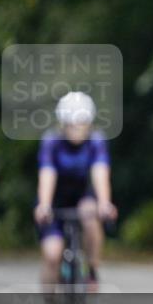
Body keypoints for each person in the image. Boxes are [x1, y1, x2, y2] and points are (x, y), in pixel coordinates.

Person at [34, 92, 117, 289]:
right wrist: (44, 205)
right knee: (53, 255)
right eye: (71, 124)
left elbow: (100, 173)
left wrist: (105, 203)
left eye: (82, 123)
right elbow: (47, 174)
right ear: (63, 124)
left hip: (82, 196)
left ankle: (92, 270)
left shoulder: (96, 141)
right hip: (53, 199)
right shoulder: (51, 142)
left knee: (91, 214)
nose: (77, 129)